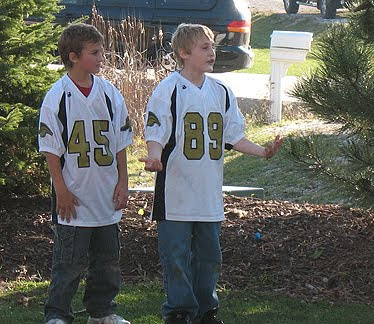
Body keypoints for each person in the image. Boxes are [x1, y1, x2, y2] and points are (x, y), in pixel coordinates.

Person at [139, 23, 283, 324]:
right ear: (184, 52)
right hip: (176, 192)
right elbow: (156, 131)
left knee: (209, 257)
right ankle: (179, 311)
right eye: (204, 47)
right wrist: (154, 157)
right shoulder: (168, 90)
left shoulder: (222, 91)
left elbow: (233, 136)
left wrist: (262, 151)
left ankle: (207, 311)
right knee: (176, 256)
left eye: (212, 46)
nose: (212, 52)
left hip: (208, 194)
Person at [38, 23, 132, 324]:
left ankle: (102, 311)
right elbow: (51, 149)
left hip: (105, 193)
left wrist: (123, 180)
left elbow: (119, 142)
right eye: (94, 52)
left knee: (107, 261)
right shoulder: (58, 97)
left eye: (101, 51)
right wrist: (61, 190)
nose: (101, 57)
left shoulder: (109, 93)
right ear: (74, 56)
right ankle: (57, 314)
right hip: (74, 195)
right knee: (68, 262)